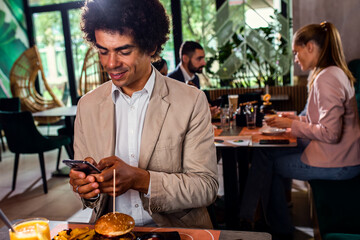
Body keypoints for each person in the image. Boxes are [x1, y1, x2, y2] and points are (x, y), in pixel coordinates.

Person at [69, 0, 218, 229]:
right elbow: (91, 199)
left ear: (151, 46)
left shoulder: (191, 101)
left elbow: (206, 188)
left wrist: (141, 180)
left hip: (173, 230)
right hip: (111, 231)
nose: (111, 63)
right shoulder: (87, 106)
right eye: (102, 51)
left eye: (124, 51)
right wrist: (87, 190)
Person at [239, 21, 360, 238]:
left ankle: (277, 229)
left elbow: (330, 133)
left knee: (271, 166)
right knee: (264, 150)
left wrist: (291, 125)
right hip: (342, 156)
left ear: (310, 47)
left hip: (339, 162)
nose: (296, 59)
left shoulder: (327, 79)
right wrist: (289, 117)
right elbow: (313, 117)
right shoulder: (328, 73)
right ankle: (249, 216)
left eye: (297, 52)